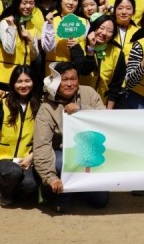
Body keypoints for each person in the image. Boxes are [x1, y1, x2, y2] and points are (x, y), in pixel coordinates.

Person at [33, 61, 109, 213]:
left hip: (91, 152)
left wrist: (82, 110)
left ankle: (80, 187)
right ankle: (63, 192)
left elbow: (105, 119)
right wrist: (50, 177)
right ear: (56, 82)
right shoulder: (46, 108)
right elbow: (42, 145)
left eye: (73, 79)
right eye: (64, 80)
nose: (69, 84)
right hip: (62, 155)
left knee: (100, 201)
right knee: (63, 160)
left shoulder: (89, 93)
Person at [0, 65, 39, 206]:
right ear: (12, 83)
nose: (23, 85)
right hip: (1, 158)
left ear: (33, 82)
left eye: (27, 81)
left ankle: (13, 187)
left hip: (25, 158)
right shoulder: (3, 101)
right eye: (19, 81)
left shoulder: (39, 104)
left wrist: (31, 156)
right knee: (13, 173)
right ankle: (3, 190)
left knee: (30, 184)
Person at [0, 0, 40, 88]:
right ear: (17, 3)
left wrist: (31, 40)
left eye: (31, 3)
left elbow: (34, 56)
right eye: (24, 3)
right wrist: (12, 27)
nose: (28, 6)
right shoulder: (5, 23)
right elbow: (9, 50)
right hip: (4, 79)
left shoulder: (31, 25)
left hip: (23, 79)